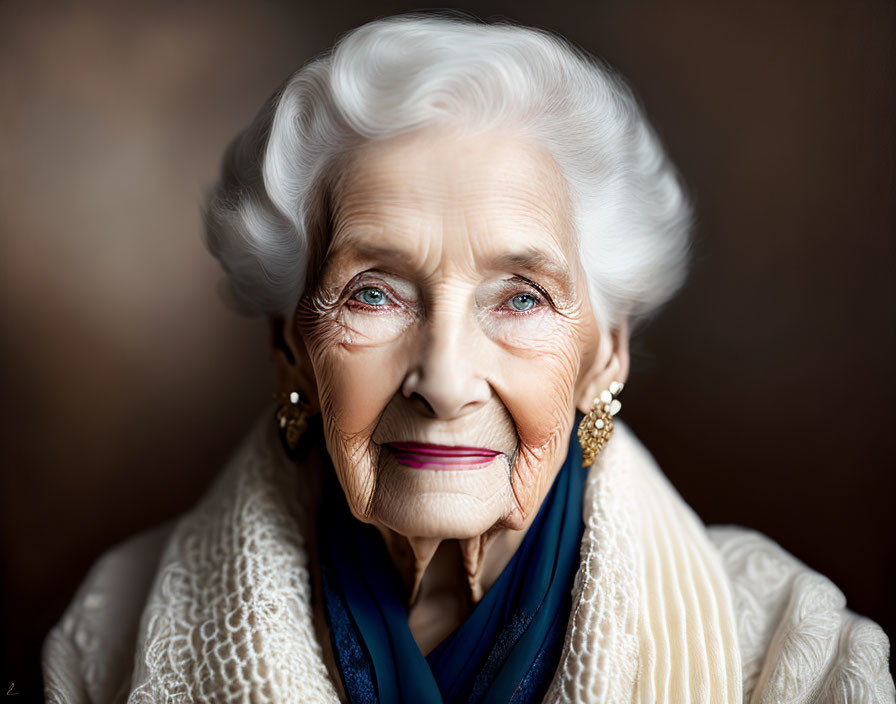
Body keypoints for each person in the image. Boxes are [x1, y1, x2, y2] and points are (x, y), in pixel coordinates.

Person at [42, 13, 893, 704]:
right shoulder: (110, 635)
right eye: (374, 292)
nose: (444, 382)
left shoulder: (790, 651)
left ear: (606, 357)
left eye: (520, 297)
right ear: (290, 352)